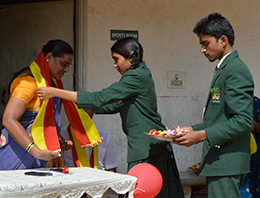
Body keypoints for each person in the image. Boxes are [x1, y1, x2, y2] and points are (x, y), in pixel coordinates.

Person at [37, 37, 184, 198]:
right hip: (147, 147)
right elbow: (114, 105)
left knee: (147, 193)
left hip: (147, 149)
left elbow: (100, 97)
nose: (115, 65)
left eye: (116, 60)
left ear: (131, 57)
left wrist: (56, 92)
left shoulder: (136, 76)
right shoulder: (138, 74)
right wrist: (82, 109)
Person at [173, 13, 254, 198]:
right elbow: (220, 119)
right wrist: (191, 129)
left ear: (223, 40)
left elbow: (242, 121)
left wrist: (200, 135)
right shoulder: (224, 68)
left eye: (206, 43)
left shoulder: (235, 70)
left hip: (227, 162)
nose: (202, 49)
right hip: (220, 162)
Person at [0, 39, 100, 170]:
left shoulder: (52, 87)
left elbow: (42, 123)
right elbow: (9, 119)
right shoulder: (28, 83)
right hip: (17, 157)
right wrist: (36, 151)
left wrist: (57, 138)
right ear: (49, 57)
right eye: (64, 64)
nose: (67, 70)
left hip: (41, 159)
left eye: (68, 65)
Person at [61, 108, 118, 172]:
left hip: (99, 179)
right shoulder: (62, 135)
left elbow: (111, 169)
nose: (82, 110)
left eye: (86, 107)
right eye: (77, 106)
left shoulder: (105, 136)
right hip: (71, 179)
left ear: (93, 111)